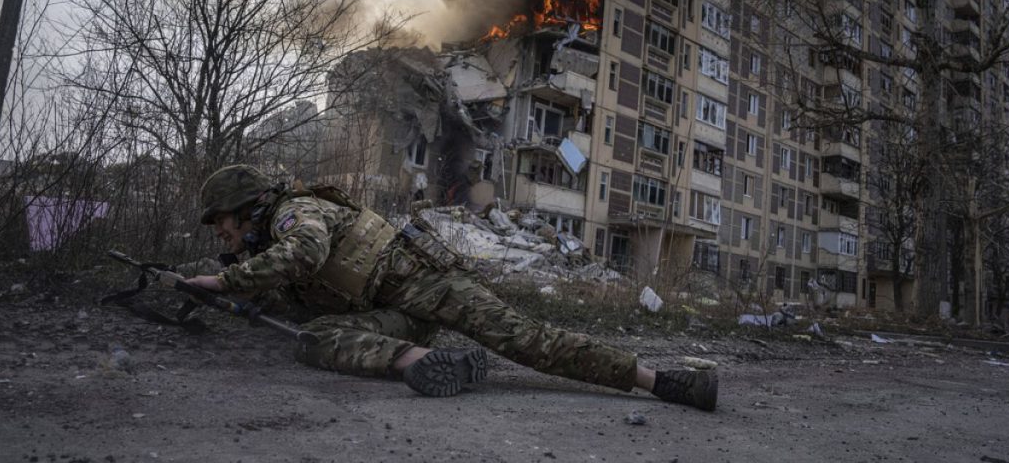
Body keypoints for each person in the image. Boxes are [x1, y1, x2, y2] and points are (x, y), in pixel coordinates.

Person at [182, 165, 718, 410]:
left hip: (433, 287)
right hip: (397, 318)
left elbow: (306, 252)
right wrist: (227, 285)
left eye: (222, 221)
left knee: (529, 342)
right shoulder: (263, 241)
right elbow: (295, 295)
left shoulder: (293, 214)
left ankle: (662, 382)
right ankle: (421, 362)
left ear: (248, 206)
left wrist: (224, 278)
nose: (222, 232)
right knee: (313, 337)